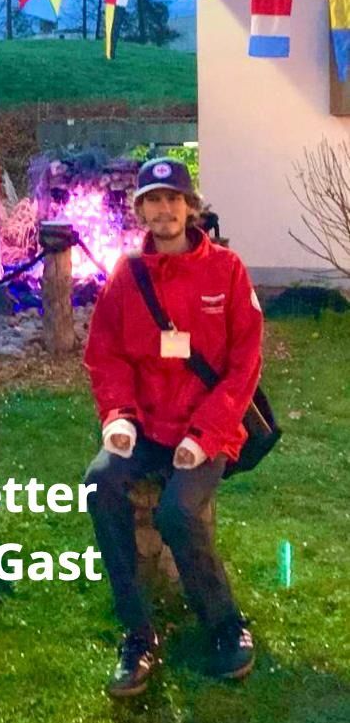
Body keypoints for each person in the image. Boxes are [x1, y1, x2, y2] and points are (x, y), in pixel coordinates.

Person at [83, 157, 262, 697]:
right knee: (99, 483)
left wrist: (204, 436)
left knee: (177, 511)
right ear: (141, 210)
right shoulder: (126, 274)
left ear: (190, 208)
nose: (164, 210)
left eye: (173, 199)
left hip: (207, 430)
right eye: (153, 201)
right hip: (145, 427)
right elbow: (105, 354)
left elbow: (244, 364)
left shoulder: (226, 270)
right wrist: (118, 416)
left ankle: (225, 622)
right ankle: (138, 631)